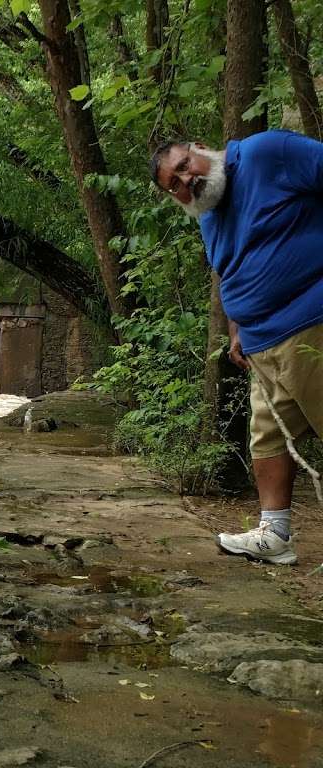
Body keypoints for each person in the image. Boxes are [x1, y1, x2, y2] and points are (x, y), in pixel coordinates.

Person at [150, 130, 323, 565]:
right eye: (174, 185)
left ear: (197, 147)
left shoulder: (269, 153)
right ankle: (275, 534)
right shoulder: (208, 215)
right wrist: (235, 327)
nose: (185, 181)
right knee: (266, 440)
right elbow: (228, 273)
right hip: (260, 344)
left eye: (183, 167)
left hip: (310, 324)